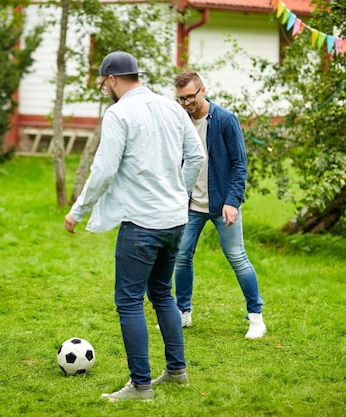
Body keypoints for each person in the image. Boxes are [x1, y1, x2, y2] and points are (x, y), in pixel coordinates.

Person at [64, 51, 206, 402]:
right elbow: (198, 156)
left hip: (142, 223)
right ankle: (177, 371)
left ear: (112, 79)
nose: (104, 90)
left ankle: (140, 386)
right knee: (162, 294)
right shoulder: (172, 106)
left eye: (103, 84)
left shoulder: (119, 113)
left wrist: (78, 210)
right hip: (175, 219)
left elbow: (104, 170)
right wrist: (179, 192)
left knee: (128, 302)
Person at [172, 70, 267, 339]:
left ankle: (256, 317)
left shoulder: (225, 120)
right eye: (181, 99)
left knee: (237, 257)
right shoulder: (182, 120)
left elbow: (240, 164)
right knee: (181, 256)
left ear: (203, 90)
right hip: (191, 204)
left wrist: (232, 201)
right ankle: (183, 312)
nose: (186, 103)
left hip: (223, 204)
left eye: (190, 97)